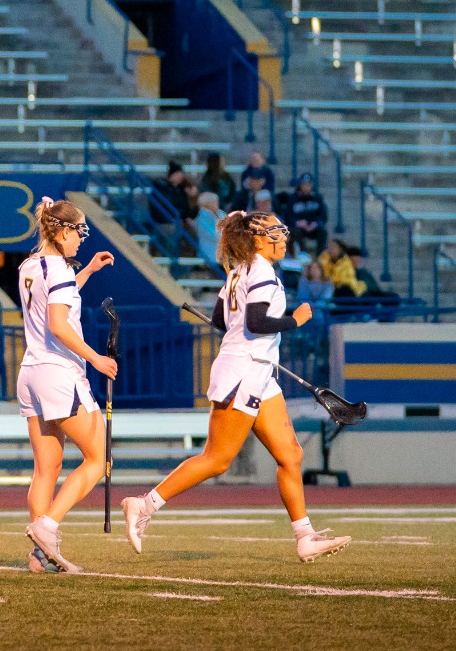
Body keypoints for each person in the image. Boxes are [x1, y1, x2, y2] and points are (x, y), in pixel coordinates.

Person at [122, 212, 350, 563]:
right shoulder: (258, 270)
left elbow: (219, 320)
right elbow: (256, 322)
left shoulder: (240, 270)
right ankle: (144, 504)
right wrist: (295, 321)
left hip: (258, 372)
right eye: (276, 230)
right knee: (217, 459)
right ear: (258, 239)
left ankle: (305, 537)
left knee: (290, 455)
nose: (283, 236)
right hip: (243, 372)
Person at [16, 197, 117, 574]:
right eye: (77, 231)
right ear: (61, 230)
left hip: (31, 372)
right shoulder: (57, 267)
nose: (81, 239)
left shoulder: (30, 265)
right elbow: (58, 324)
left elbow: (51, 301)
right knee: (100, 457)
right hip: (59, 372)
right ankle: (47, 527)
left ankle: (38, 556)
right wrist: (95, 358)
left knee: (47, 469)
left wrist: (87, 271)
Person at [279, 173, 328, 257]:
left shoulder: (318, 198)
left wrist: (315, 224)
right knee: (295, 232)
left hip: (313, 227)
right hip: (298, 228)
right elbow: (288, 216)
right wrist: (298, 223)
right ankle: (303, 255)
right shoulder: (292, 198)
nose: (306, 187)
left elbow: (323, 216)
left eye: (308, 184)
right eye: (304, 184)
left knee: (323, 232)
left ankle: (320, 256)